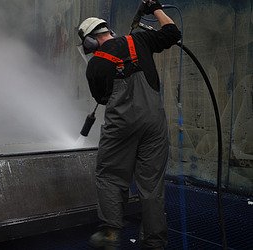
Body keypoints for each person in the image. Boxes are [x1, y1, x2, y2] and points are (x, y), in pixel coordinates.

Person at [77, 1, 181, 249]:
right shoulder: (141, 41)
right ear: (108, 31)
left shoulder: (95, 64)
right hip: (154, 124)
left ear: (90, 42)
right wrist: (155, 8)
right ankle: (154, 243)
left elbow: (102, 98)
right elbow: (172, 33)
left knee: (110, 175)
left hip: (121, 125)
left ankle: (111, 232)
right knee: (152, 185)